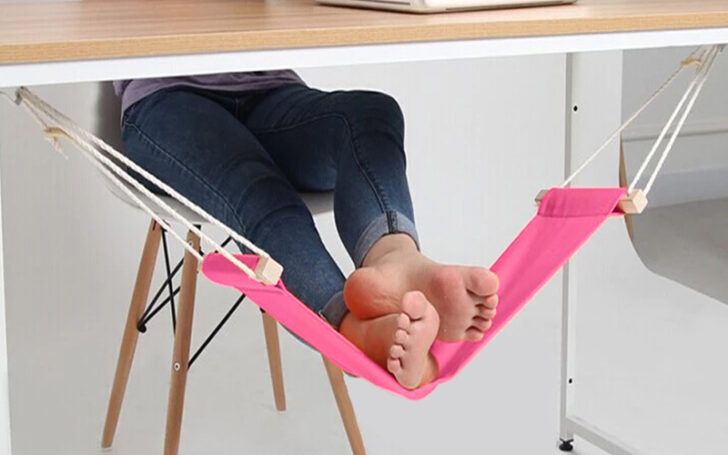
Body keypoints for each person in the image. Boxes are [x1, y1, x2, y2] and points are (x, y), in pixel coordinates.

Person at [115, 70, 499, 390]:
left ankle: (395, 259)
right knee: (259, 191)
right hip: (166, 96)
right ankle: (355, 331)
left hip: (267, 85)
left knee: (370, 115)